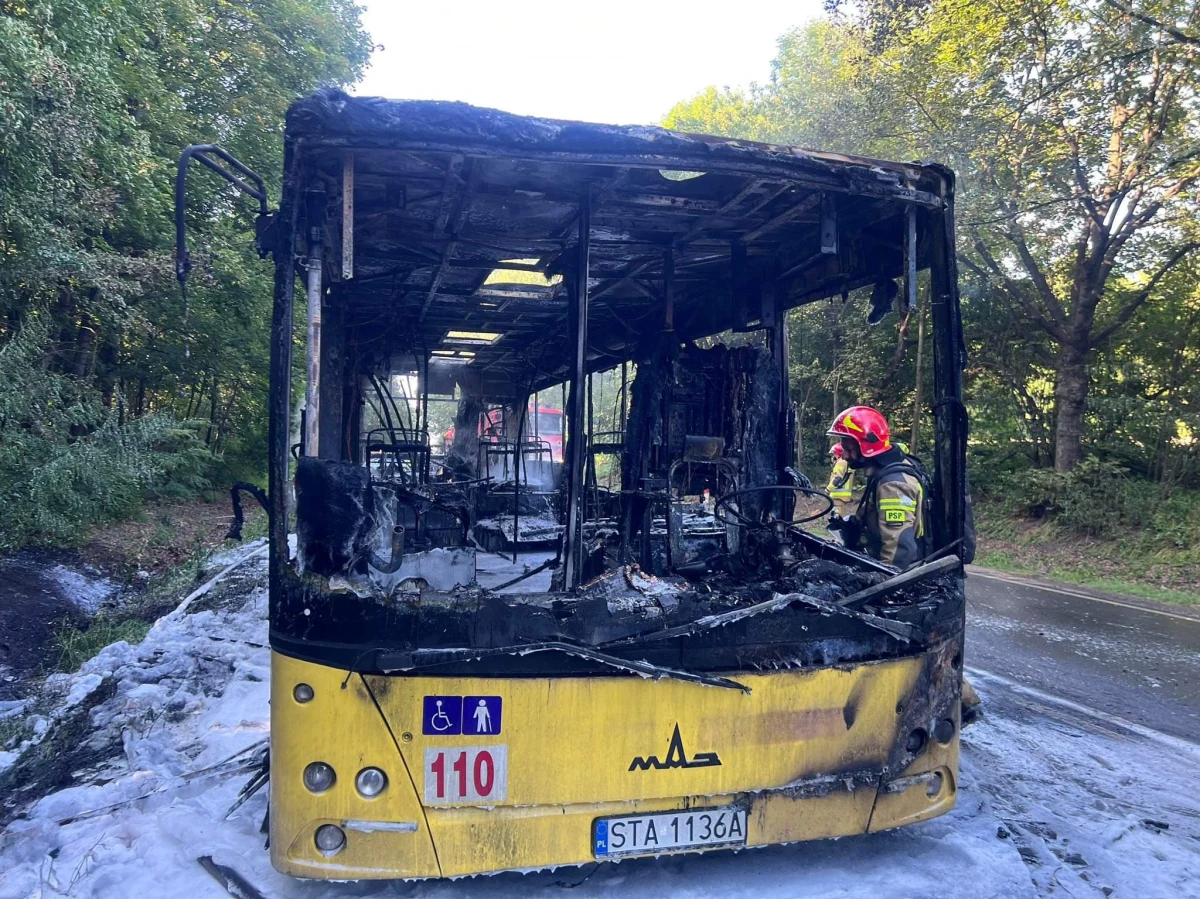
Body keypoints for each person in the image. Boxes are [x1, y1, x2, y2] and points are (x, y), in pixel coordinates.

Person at [825, 405, 927, 568]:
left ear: (867, 446)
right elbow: (876, 513)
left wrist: (881, 580)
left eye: (849, 449)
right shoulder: (883, 471)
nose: (844, 456)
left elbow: (898, 550)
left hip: (901, 573)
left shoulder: (893, 485)